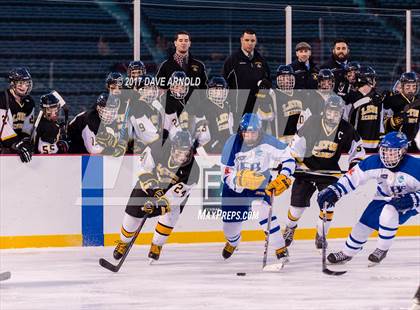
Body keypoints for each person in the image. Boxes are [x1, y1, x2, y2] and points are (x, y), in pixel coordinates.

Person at [318, 132, 419, 266]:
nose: (387, 155)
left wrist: (414, 199)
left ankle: (381, 249)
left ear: (404, 151)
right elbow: (352, 178)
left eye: (392, 152)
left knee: (389, 212)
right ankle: (347, 253)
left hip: (411, 200)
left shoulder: (416, 167)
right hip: (384, 196)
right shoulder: (373, 162)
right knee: (363, 225)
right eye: (385, 150)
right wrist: (335, 191)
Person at [283, 95, 365, 249]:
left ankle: (321, 234)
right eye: (330, 112)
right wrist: (291, 161)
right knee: (296, 208)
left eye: (336, 113)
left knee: (328, 206)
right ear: (325, 111)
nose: (333, 116)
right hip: (306, 170)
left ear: (341, 113)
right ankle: (290, 228)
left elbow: (358, 150)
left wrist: (354, 165)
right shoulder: (313, 122)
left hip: (329, 173)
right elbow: (296, 144)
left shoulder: (346, 129)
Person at [113, 130, 200, 262]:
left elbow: (173, 198)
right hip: (149, 184)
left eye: (186, 153)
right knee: (133, 211)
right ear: (172, 147)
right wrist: (154, 189)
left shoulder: (194, 170)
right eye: (179, 152)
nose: (182, 157)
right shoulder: (157, 148)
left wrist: (155, 206)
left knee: (172, 215)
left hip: (172, 194)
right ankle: (124, 242)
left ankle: (157, 244)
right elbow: (144, 170)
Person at [220, 113, 295, 265]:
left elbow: (288, 157)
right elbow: (225, 172)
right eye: (246, 132)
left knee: (262, 210)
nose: (249, 135)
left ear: (259, 131)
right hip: (235, 187)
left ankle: (280, 249)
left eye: (253, 132)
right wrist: (238, 179)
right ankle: (234, 242)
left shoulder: (268, 140)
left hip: (259, 183)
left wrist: (284, 175)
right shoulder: (232, 142)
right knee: (229, 227)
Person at [223, 29, 270, 125]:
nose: (250, 43)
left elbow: (268, 81)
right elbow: (224, 83)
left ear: (255, 42)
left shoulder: (261, 60)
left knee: (256, 138)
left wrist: (266, 84)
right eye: (247, 40)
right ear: (241, 40)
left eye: (252, 41)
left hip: (257, 109)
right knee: (239, 138)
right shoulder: (232, 60)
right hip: (238, 110)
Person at [156, 31, 207, 101]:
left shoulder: (199, 66)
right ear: (175, 43)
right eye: (180, 40)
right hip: (172, 108)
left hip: (194, 107)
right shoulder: (165, 66)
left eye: (186, 41)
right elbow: (160, 88)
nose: (183, 43)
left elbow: (204, 89)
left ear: (189, 43)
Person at [0, 67, 35, 162]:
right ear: (13, 84)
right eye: (20, 83)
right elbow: (3, 129)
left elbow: (27, 129)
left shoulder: (29, 102)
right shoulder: (2, 99)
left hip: (15, 144)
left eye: (26, 83)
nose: (24, 87)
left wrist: (24, 143)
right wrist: (17, 144)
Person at [347, 66, 384, 152]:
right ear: (367, 79)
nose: (374, 81)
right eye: (372, 78)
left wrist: (381, 141)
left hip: (375, 147)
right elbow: (347, 122)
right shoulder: (351, 97)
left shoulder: (378, 98)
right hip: (356, 146)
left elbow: (381, 123)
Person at [383, 72, 419, 152]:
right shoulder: (392, 100)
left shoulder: (418, 101)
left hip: (414, 144)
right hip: (396, 143)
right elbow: (383, 125)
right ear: (402, 86)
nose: (411, 90)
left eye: (414, 86)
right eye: (408, 86)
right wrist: (394, 121)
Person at [200, 76, 234, 154]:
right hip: (209, 140)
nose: (218, 92)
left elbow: (229, 127)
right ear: (210, 91)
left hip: (224, 139)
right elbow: (203, 131)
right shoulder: (205, 105)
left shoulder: (226, 105)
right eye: (215, 90)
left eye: (221, 90)